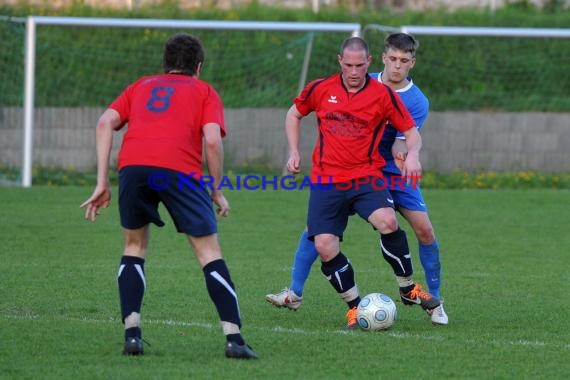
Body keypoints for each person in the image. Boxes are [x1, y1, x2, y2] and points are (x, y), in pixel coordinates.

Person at [80, 33, 257, 359]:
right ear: (198, 66)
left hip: (133, 167)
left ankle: (132, 334)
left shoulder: (141, 85)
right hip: (179, 171)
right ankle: (234, 339)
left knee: (134, 247)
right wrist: (216, 189)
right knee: (209, 254)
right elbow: (214, 142)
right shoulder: (204, 91)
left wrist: (102, 181)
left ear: (166, 63)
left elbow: (105, 122)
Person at [265, 33, 448, 325]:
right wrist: (294, 152)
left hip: (375, 173)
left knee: (407, 226)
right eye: (348, 65)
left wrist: (411, 155)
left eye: (359, 66)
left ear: (369, 63)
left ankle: (416, 291)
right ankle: (341, 302)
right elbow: (294, 113)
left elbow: (406, 136)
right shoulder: (323, 88)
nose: (353, 71)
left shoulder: (400, 98)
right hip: (329, 179)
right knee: (320, 239)